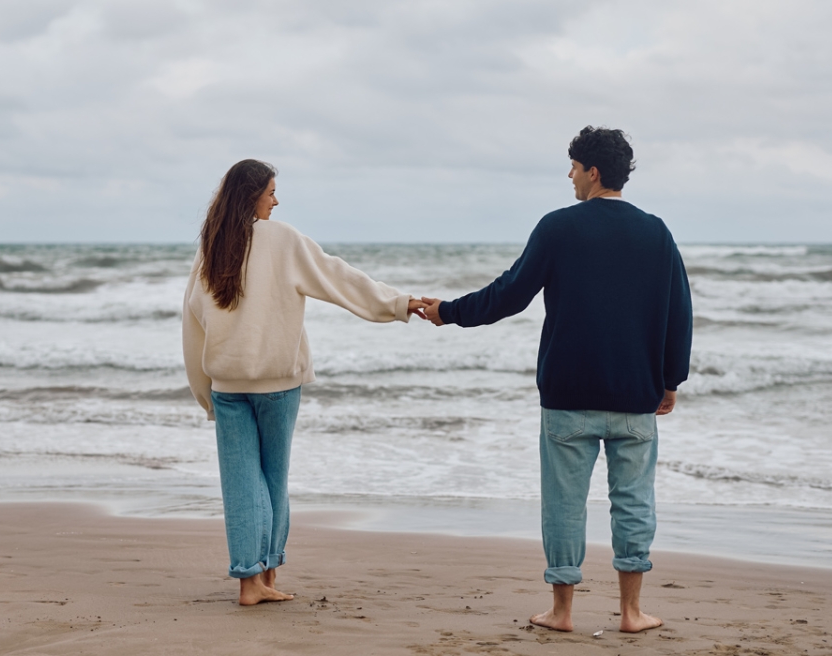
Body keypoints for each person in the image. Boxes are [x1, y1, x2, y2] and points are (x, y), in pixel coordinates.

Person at [421, 127, 693, 633]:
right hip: (636, 396)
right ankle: (632, 612)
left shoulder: (559, 227)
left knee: (564, 505)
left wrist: (449, 312)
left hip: (569, 395)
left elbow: (509, 294)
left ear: (593, 172)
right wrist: (671, 379)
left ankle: (563, 612)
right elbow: (680, 311)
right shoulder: (656, 232)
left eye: (573, 167)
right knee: (634, 503)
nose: (569, 175)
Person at [183, 158, 427, 606]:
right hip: (278, 384)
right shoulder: (282, 239)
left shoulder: (211, 246)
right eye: (271, 192)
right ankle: (268, 575)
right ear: (252, 195)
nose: (276, 201)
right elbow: (338, 278)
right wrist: (397, 303)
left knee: (240, 483)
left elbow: (193, 323)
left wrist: (205, 393)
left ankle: (249, 583)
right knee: (273, 479)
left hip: (227, 386)